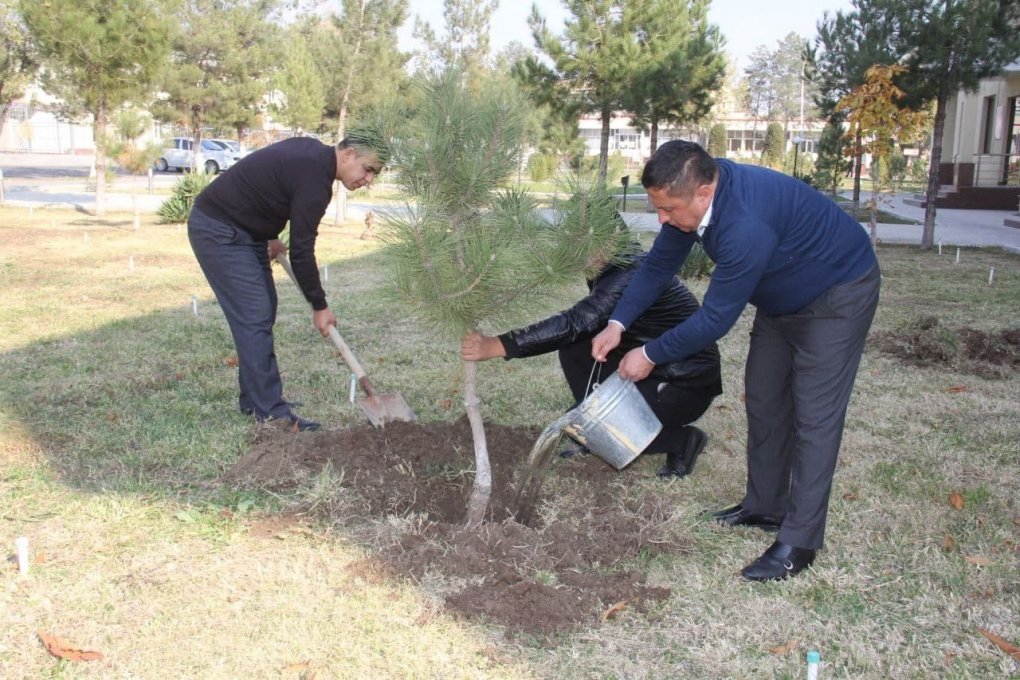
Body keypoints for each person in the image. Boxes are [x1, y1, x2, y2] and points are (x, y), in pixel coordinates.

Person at [592, 140, 880, 582]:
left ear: (703, 193)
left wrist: (649, 353)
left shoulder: (745, 223)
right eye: (657, 209)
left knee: (815, 417)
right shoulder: (692, 195)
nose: (662, 219)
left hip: (837, 293)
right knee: (764, 400)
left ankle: (798, 542)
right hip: (781, 299)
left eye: (667, 209)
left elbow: (714, 319)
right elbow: (656, 268)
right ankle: (765, 506)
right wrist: (618, 322)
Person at [188, 127, 389, 431]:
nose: (369, 179)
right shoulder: (316, 179)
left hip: (246, 232)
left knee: (262, 310)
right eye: (368, 169)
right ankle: (271, 412)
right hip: (220, 231)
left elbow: (268, 186)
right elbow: (303, 251)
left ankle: (255, 399)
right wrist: (319, 305)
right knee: (254, 316)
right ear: (348, 154)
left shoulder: (313, 156)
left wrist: (269, 234)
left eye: (375, 173)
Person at [461, 246, 722, 478]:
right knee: (576, 348)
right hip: (646, 363)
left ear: (608, 240)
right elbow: (586, 328)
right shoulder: (608, 264)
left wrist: (499, 345)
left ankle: (682, 440)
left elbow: (578, 321)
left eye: (582, 242)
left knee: (596, 421)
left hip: (683, 382)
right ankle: (595, 432)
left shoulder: (628, 272)